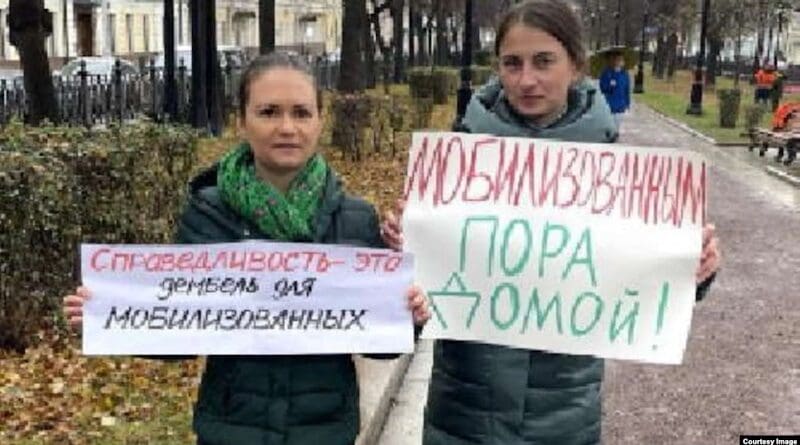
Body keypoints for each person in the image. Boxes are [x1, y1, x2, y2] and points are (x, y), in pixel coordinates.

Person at [380, 1, 721, 444]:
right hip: (464, 410)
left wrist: (693, 271)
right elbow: (419, 293)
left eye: (544, 62)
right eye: (512, 63)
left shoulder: (617, 172)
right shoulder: (456, 163)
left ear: (576, 65)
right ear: (497, 67)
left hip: (565, 414)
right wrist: (402, 252)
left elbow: (642, 279)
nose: (526, 80)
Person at [62, 52, 430, 445]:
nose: (287, 127)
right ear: (242, 121)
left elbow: (380, 345)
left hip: (324, 430)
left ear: (320, 121)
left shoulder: (355, 218)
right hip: (230, 428)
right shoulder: (208, 213)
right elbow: (179, 331)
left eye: (302, 113)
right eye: (268, 112)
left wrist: (409, 316)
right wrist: (109, 318)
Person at [599, 51, 631, 129]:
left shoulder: (625, 74)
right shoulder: (606, 73)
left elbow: (626, 90)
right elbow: (602, 89)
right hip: (609, 105)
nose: (620, 62)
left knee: (616, 127)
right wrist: (611, 84)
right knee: (608, 127)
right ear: (612, 61)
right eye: (617, 60)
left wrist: (627, 103)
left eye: (621, 60)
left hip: (620, 106)